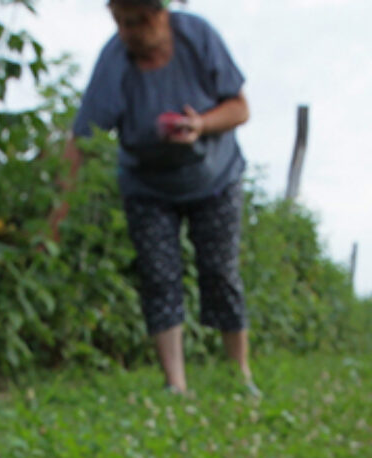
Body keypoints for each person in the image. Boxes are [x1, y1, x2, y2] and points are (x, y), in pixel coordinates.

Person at [53, 0, 257, 397]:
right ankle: (175, 385)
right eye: (121, 22)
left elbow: (240, 108)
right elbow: (82, 140)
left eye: (138, 22)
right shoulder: (114, 61)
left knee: (219, 271)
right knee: (158, 275)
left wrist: (200, 123)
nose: (130, 32)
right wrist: (59, 210)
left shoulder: (198, 37)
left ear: (161, 14)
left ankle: (241, 376)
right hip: (147, 185)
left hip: (214, 176)